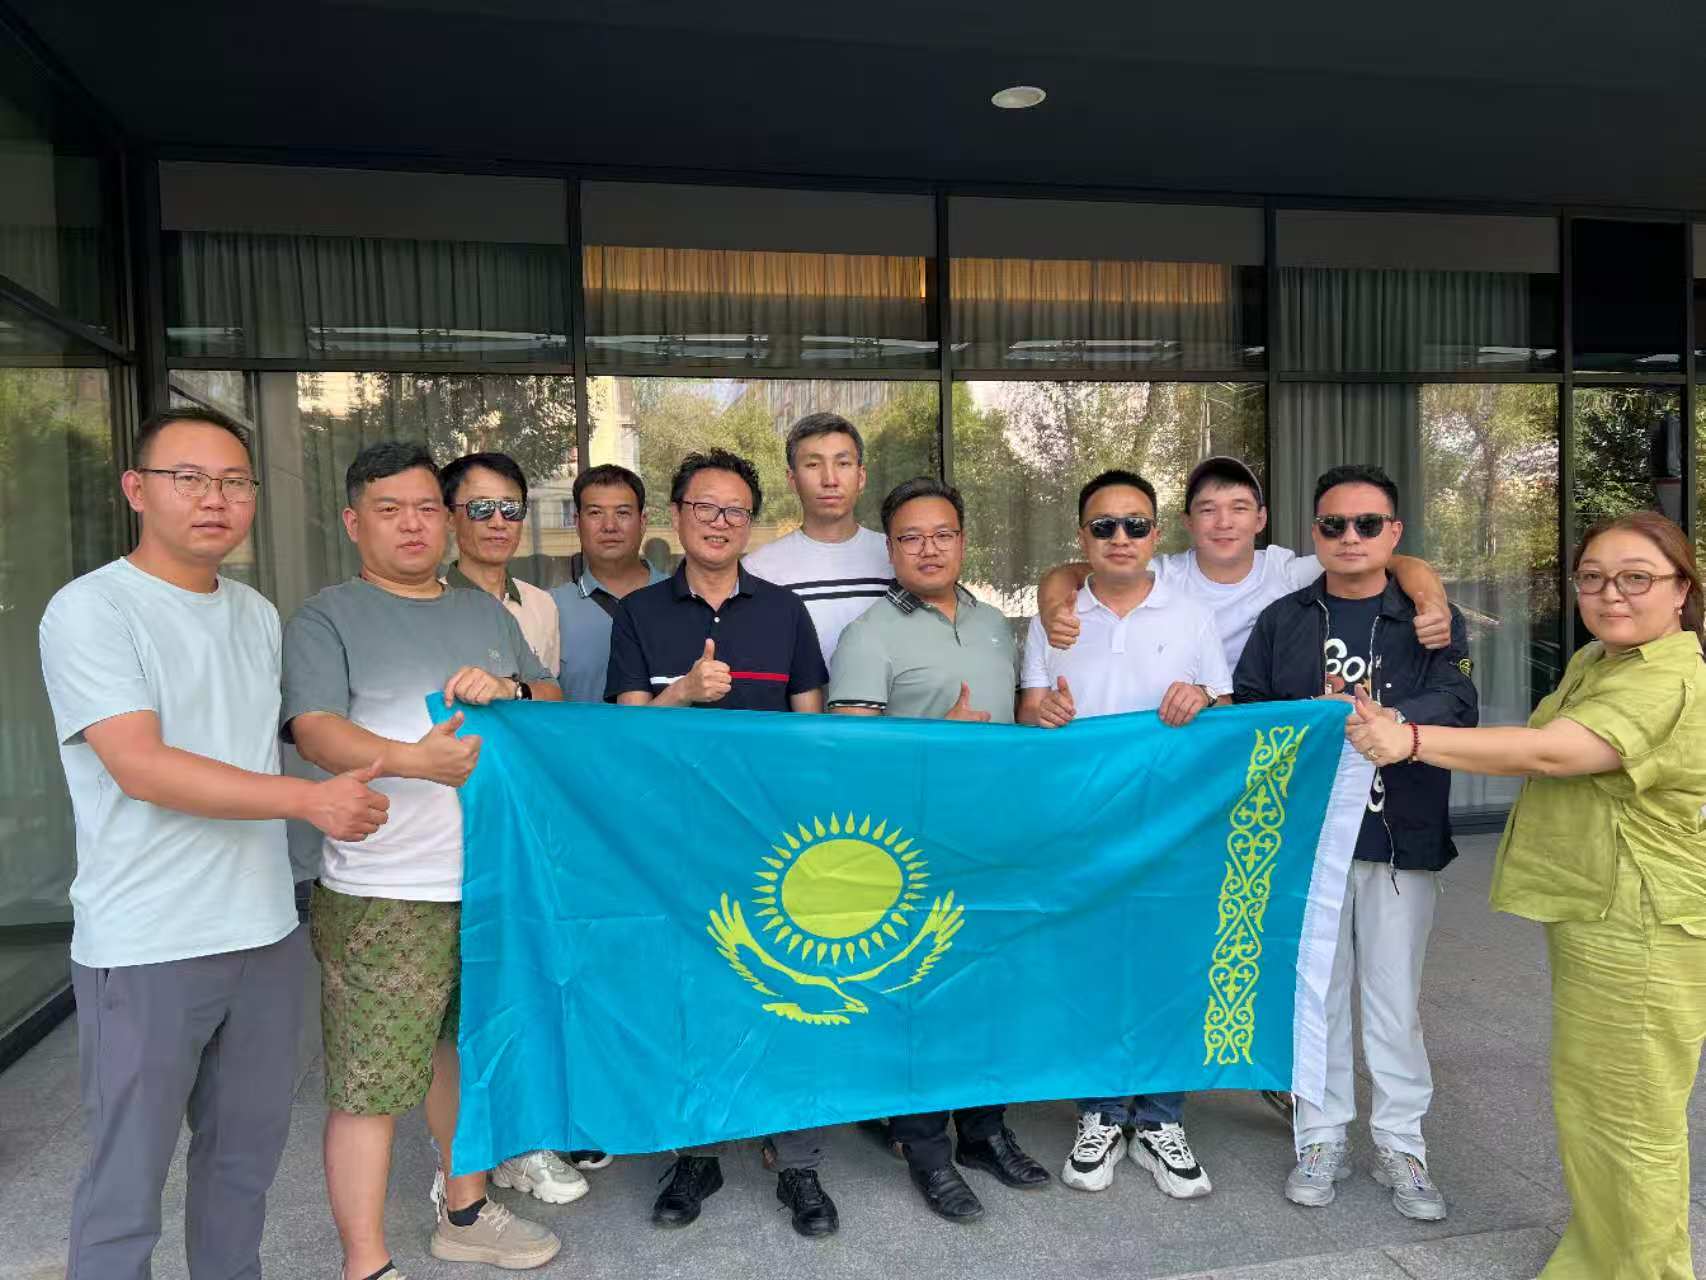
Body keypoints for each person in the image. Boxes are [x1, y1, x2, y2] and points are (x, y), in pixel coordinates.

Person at [39, 408, 390, 1280]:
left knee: (242, 1169)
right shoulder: (91, 609)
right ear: (137, 490)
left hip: (263, 931)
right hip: (147, 940)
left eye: (234, 482)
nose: (215, 499)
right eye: (188, 479)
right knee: (126, 1187)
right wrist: (310, 801)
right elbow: (141, 766)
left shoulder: (256, 614)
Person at [1037, 454, 1453, 1122]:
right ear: (1183, 524)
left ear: (1262, 520)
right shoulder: (1167, 571)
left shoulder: (1289, 570)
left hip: (1266, 763)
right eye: (1207, 509)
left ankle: (1282, 1080)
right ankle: (1149, 1093)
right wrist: (1053, 602)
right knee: (1204, 937)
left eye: (1238, 508)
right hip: (1191, 773)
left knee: (1282, 941)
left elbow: (1390, 558)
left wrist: (1431, 600)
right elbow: (1074, 568)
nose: (1223, 522)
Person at [1346, 510, 1706, 1278]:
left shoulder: (1668, 677)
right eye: (1593, 578)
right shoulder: (1605, 660)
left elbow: (1553, 752)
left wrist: (1411, 738)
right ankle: (1601, 1255)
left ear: (1682, 590)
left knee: (1634, 1118)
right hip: (1599, 913)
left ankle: (1649, 1269)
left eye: (1637, 578)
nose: (1611, 594)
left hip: (1643, 925)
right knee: (1595, 1105)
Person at [282, 441, 564, 1280]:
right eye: (388, 509)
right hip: (384, 891)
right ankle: (364, 1263)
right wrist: (414, 761)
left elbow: (549, 699)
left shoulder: (484, 613)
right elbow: (314, 731)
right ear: (353, 521)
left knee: (465, 1053)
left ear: (446, 520)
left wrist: (511, 690)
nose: (411, 525)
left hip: (489, 880)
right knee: (368, 1084)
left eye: (425, 509)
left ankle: (465, 1212)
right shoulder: (327, 616)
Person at [1234, 463, 1477, 1222]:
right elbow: (1248, 711)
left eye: (1368, 524)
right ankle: (1320, 1137)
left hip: (1401, 836)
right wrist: (1310, 717)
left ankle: (1402, 1144)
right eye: (1334, 524)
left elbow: (1459, 701)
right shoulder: (1282, 619)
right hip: (1307, 844)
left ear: (1394, 532)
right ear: (1315, 533)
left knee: (1393, 1003)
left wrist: (1391, 722)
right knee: (1318, 996)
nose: (1350, 537)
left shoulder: (1428, 616)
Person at [605, 448, 838, 1238]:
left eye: (735, 509)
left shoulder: (785, 612)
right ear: (677, 516)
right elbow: (622, 737)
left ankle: (799, 1161)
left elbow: (813, 737)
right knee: (688, 996)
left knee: (790, 995)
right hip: (674, 844)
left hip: (774, 846)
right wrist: (682, 694)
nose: (719, 521)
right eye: (705, 506)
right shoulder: (638, 614)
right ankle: (696, 1154)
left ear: (751, 523)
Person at [828, 476, 1051, 1222]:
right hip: (912, 851)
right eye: (911, 537)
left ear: (962, 540)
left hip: (993, 842)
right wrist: (937, 739)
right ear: (890, 549)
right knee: (920, 997)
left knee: (988, 990)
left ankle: (985, 1132)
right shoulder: (868, 633)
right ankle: (927, 1152)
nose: (929, 549)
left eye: (943, 534)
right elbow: (850, 752)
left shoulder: (993, 624)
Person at [1017, 469, 1229, 1201]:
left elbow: (1225, 708)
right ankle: (1102, 1113)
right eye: (1103, 526)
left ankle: (1162, 1119)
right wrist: (1040, 713)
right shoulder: (1054, 619)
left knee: (1170, 967)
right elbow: (1029, 710)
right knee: (1093, 969)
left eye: (1135, 525)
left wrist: (1203, 697)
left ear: (1156, 535)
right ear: (1082, 537)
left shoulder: (1192, 616)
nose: (1120, 538)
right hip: (1083, 827)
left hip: (1172, 825)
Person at [744, 412, 892, 665]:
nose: (830, 480)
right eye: (813, 465)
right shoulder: (759, 570)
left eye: (843, 463)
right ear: (792, 480)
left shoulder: (896, 557)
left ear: (861, 477)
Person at [550, 463, 666, 705]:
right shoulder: (549, 608)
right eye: (595, 513)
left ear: (643, 521)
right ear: (577, 522)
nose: (609, 526)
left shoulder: (678, 597)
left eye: (622, 513)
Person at [442, 451, 561, 673]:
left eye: (510, 508)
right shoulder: (426, 608)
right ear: (449, 518)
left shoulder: (542, 605)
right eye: (481, 508)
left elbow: (548, 690)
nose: (498, 522)